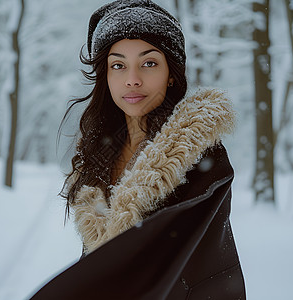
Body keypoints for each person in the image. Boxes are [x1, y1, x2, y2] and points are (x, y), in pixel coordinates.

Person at [29, 0, 246, 299]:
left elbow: (201, 272)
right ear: (105, 75)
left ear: (171, 72)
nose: (132, 79)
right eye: (118, 65)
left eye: (149, 63)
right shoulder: (97, 158)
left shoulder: (199, 156)